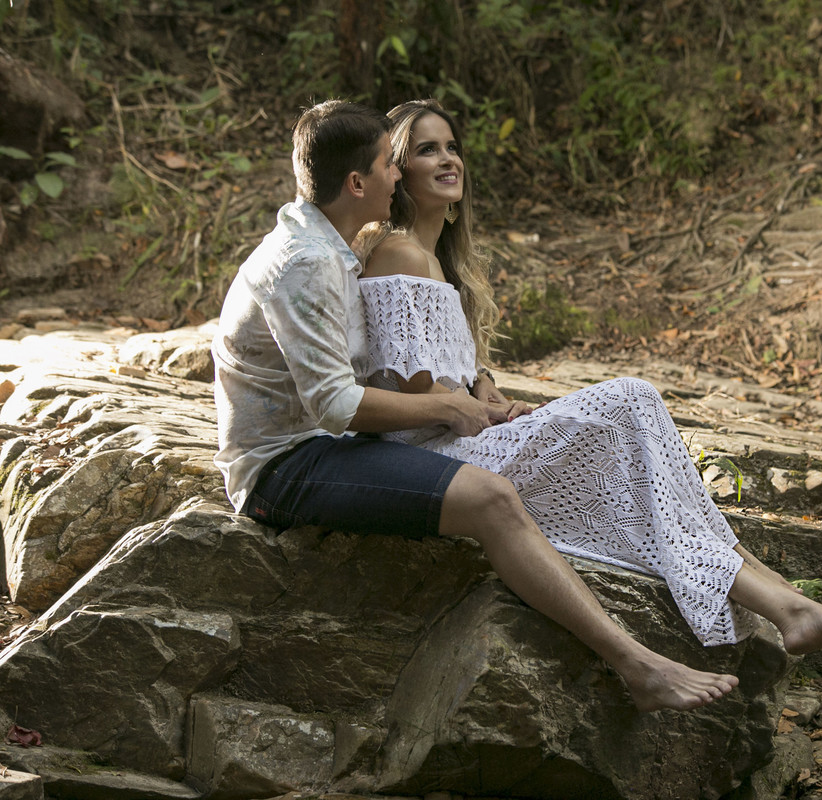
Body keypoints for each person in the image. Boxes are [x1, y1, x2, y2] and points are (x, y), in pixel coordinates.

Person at [212, 99, 744, 713]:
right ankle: (639, 667)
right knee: (492, 497)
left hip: (332, 448)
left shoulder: (328, 245)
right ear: (357, 183)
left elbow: (379, 356)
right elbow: (336, 404)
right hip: (284, 470)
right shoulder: (304, 262)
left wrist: (476, 387)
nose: (397, 174)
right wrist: (450, 411)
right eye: (389, 164)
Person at [352, 100, 822, 656]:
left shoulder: (438, 258)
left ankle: (775, 594)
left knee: (637, 448)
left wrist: (482, 380)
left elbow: (441, 360)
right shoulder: (401, 254)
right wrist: (490, 410)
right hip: (430, 458)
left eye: (452, 147)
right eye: (428, 150)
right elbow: (416, 390)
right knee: (630, 403)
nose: (448, 159)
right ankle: (776, 594)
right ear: (398, 170)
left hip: (459, 438)